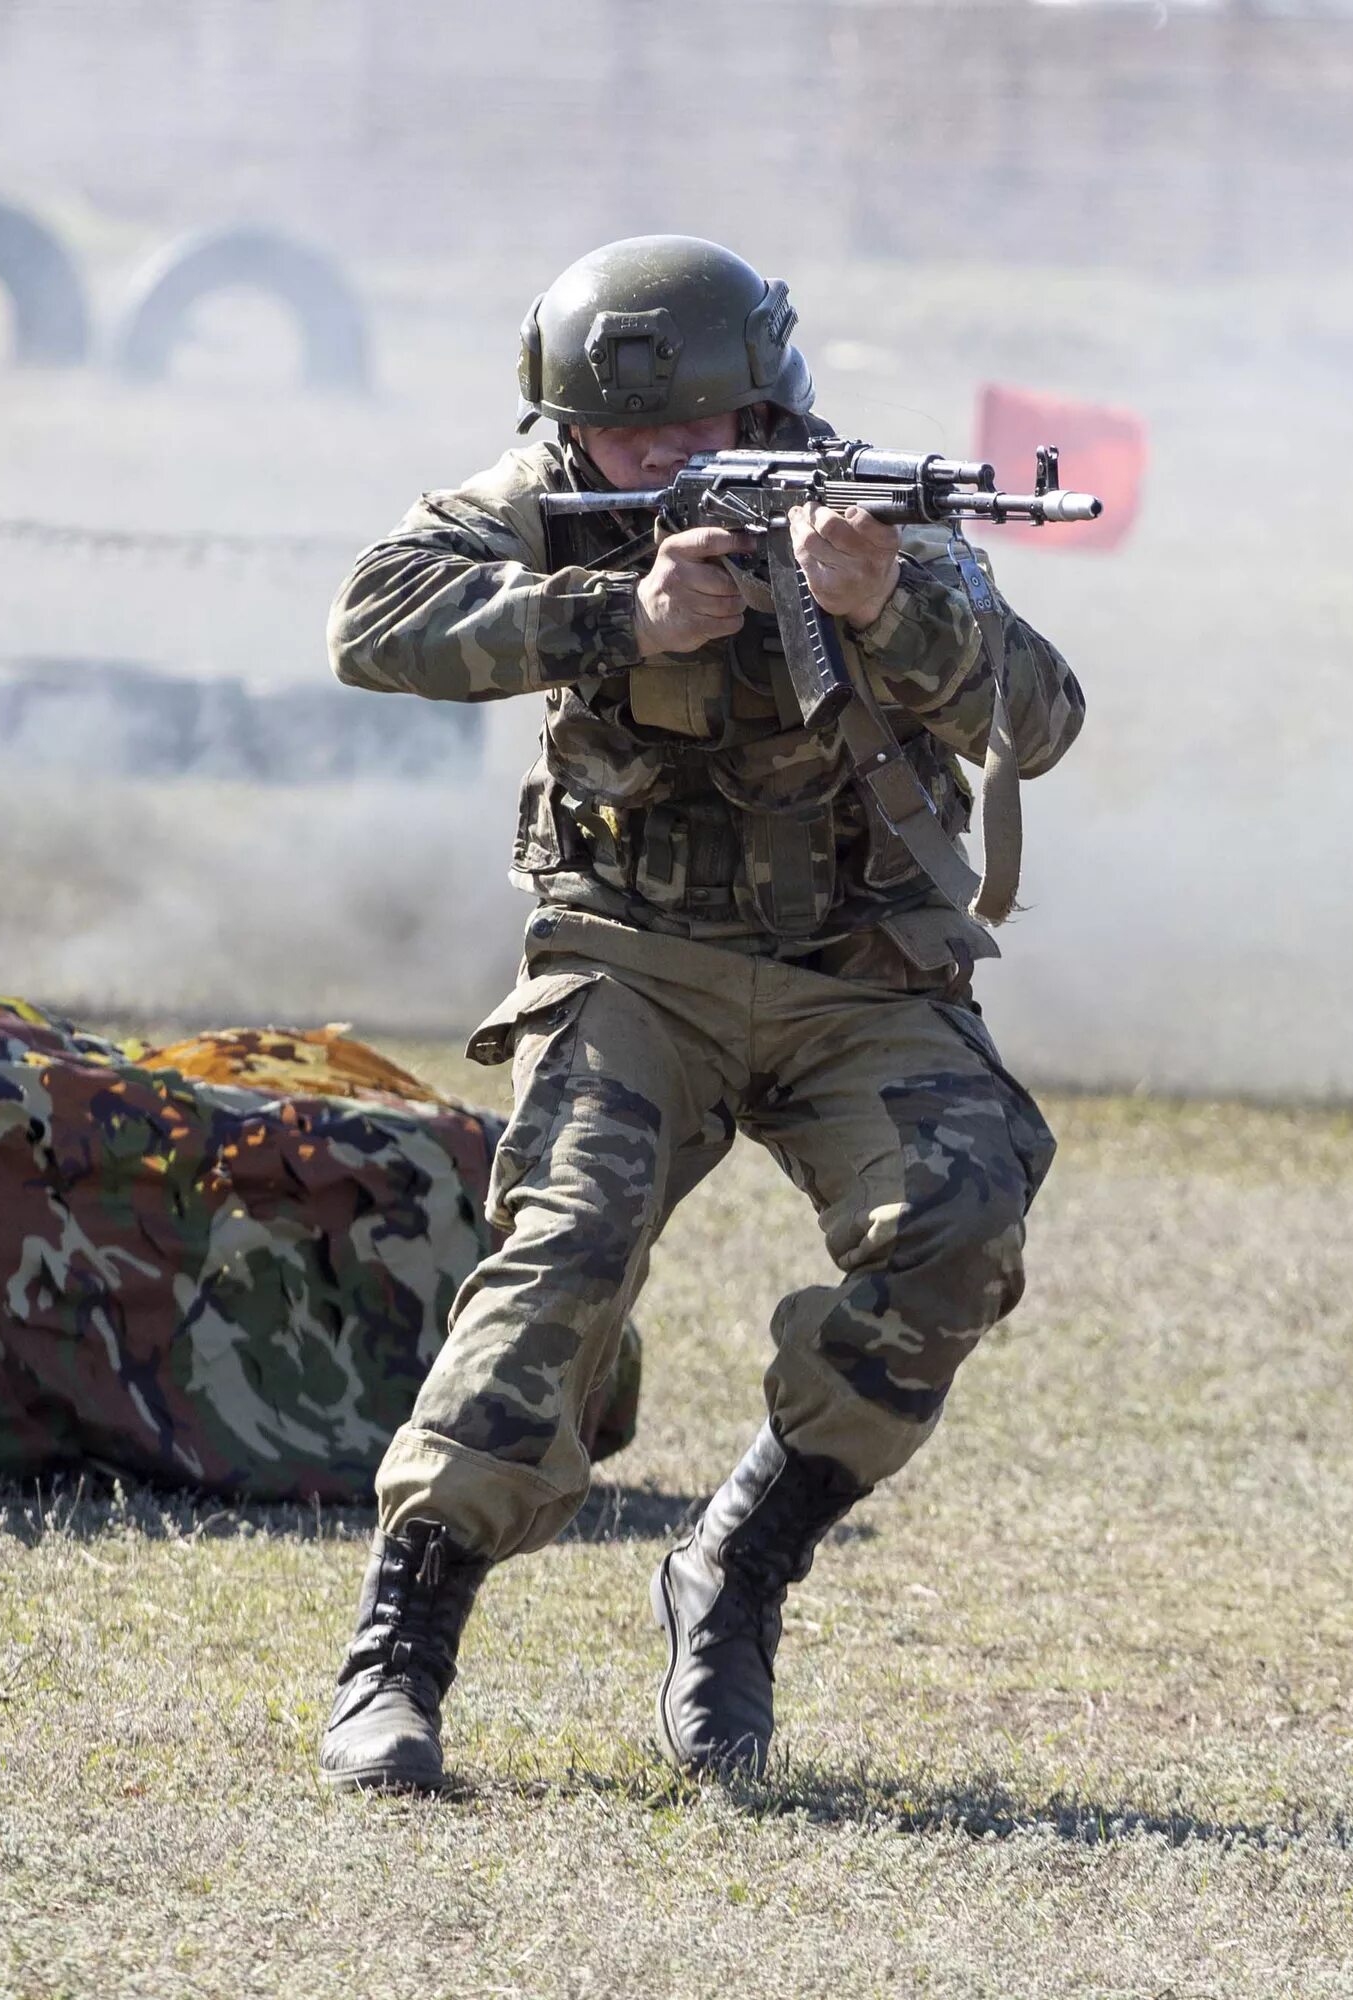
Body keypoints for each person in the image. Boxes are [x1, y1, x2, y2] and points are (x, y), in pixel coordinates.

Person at [314, 236, 1086, 1790]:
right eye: (626, 436)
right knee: (563, 1252)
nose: (666, 458)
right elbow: (371, 622)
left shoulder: (871, 509)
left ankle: (738, 1566)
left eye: (699, 427)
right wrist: (619, 619)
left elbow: (1044, 720)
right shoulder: (540, 500)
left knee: (959, 1227)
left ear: (767, 400)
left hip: (861, 972)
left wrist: (881, 614)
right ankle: (401, 1651)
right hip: (631, 960)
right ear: (569, 426)